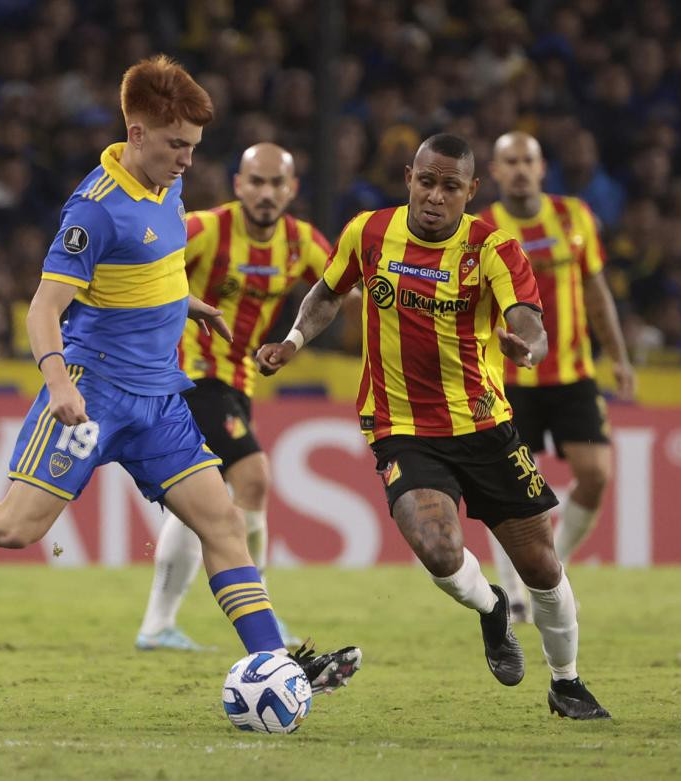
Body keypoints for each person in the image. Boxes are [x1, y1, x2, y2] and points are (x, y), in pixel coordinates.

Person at [0, 56, 361, 693]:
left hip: (159, 398)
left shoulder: (166, 185)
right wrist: (58, 384)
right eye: (177, 145)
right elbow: (44, 307)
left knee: (223, 522)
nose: (188, 160)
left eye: (192, 147)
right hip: (93, 392)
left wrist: (183, 303)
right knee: (13, 526)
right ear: (137, 134)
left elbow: (144, 265)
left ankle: (274, 664)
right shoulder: (94, 210)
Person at [257, 133, 610, 719]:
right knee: (439, 550)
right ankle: (493, 608)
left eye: (450, 187)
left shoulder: (495, 249)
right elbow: (326, 293)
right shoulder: (367, 233)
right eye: (426, 182)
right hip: (400, 426)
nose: (435, 196)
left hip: (484, 425)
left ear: (471, 192)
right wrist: (292, 341)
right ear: (409, 178)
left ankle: (566, 682)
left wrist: (526, 347)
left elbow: (529, 322)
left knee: (543, 565)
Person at [135, 142, 333, 651]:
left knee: (196, 500)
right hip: (190, 376)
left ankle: (157, 625)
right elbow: (148, 264)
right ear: (238, 184)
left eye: (277, 183)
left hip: (238, 383)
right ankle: (260, 608)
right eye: (257, 182)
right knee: (253, 476)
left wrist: (293, 339)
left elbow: (341, 286)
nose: (266, 193)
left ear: (292, 189)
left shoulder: (300, 243)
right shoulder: (207, 229)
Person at [478, 131, 635, 622]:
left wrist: (619, 356)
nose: (520, 169)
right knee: (505, 492)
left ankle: (553, 565)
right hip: (506, 379)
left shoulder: (575, 217)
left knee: (596, 475)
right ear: (497, 172)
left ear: (542, 167)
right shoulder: (480, 229)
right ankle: (515, 591)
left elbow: (595, 290)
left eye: (528, 159)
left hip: (571, 374)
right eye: (510, 161)